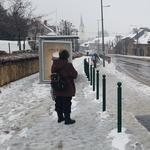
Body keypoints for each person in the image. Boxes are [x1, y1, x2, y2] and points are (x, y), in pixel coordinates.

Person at [51, 50, 78, 125]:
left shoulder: (54, 64)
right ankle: (67, 119)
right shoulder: (68, 65)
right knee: (66, 103)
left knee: (58, 102)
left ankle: (60, 118)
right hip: (66, 87)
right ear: (67, 56)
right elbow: (74, 75)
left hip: (57, 86)